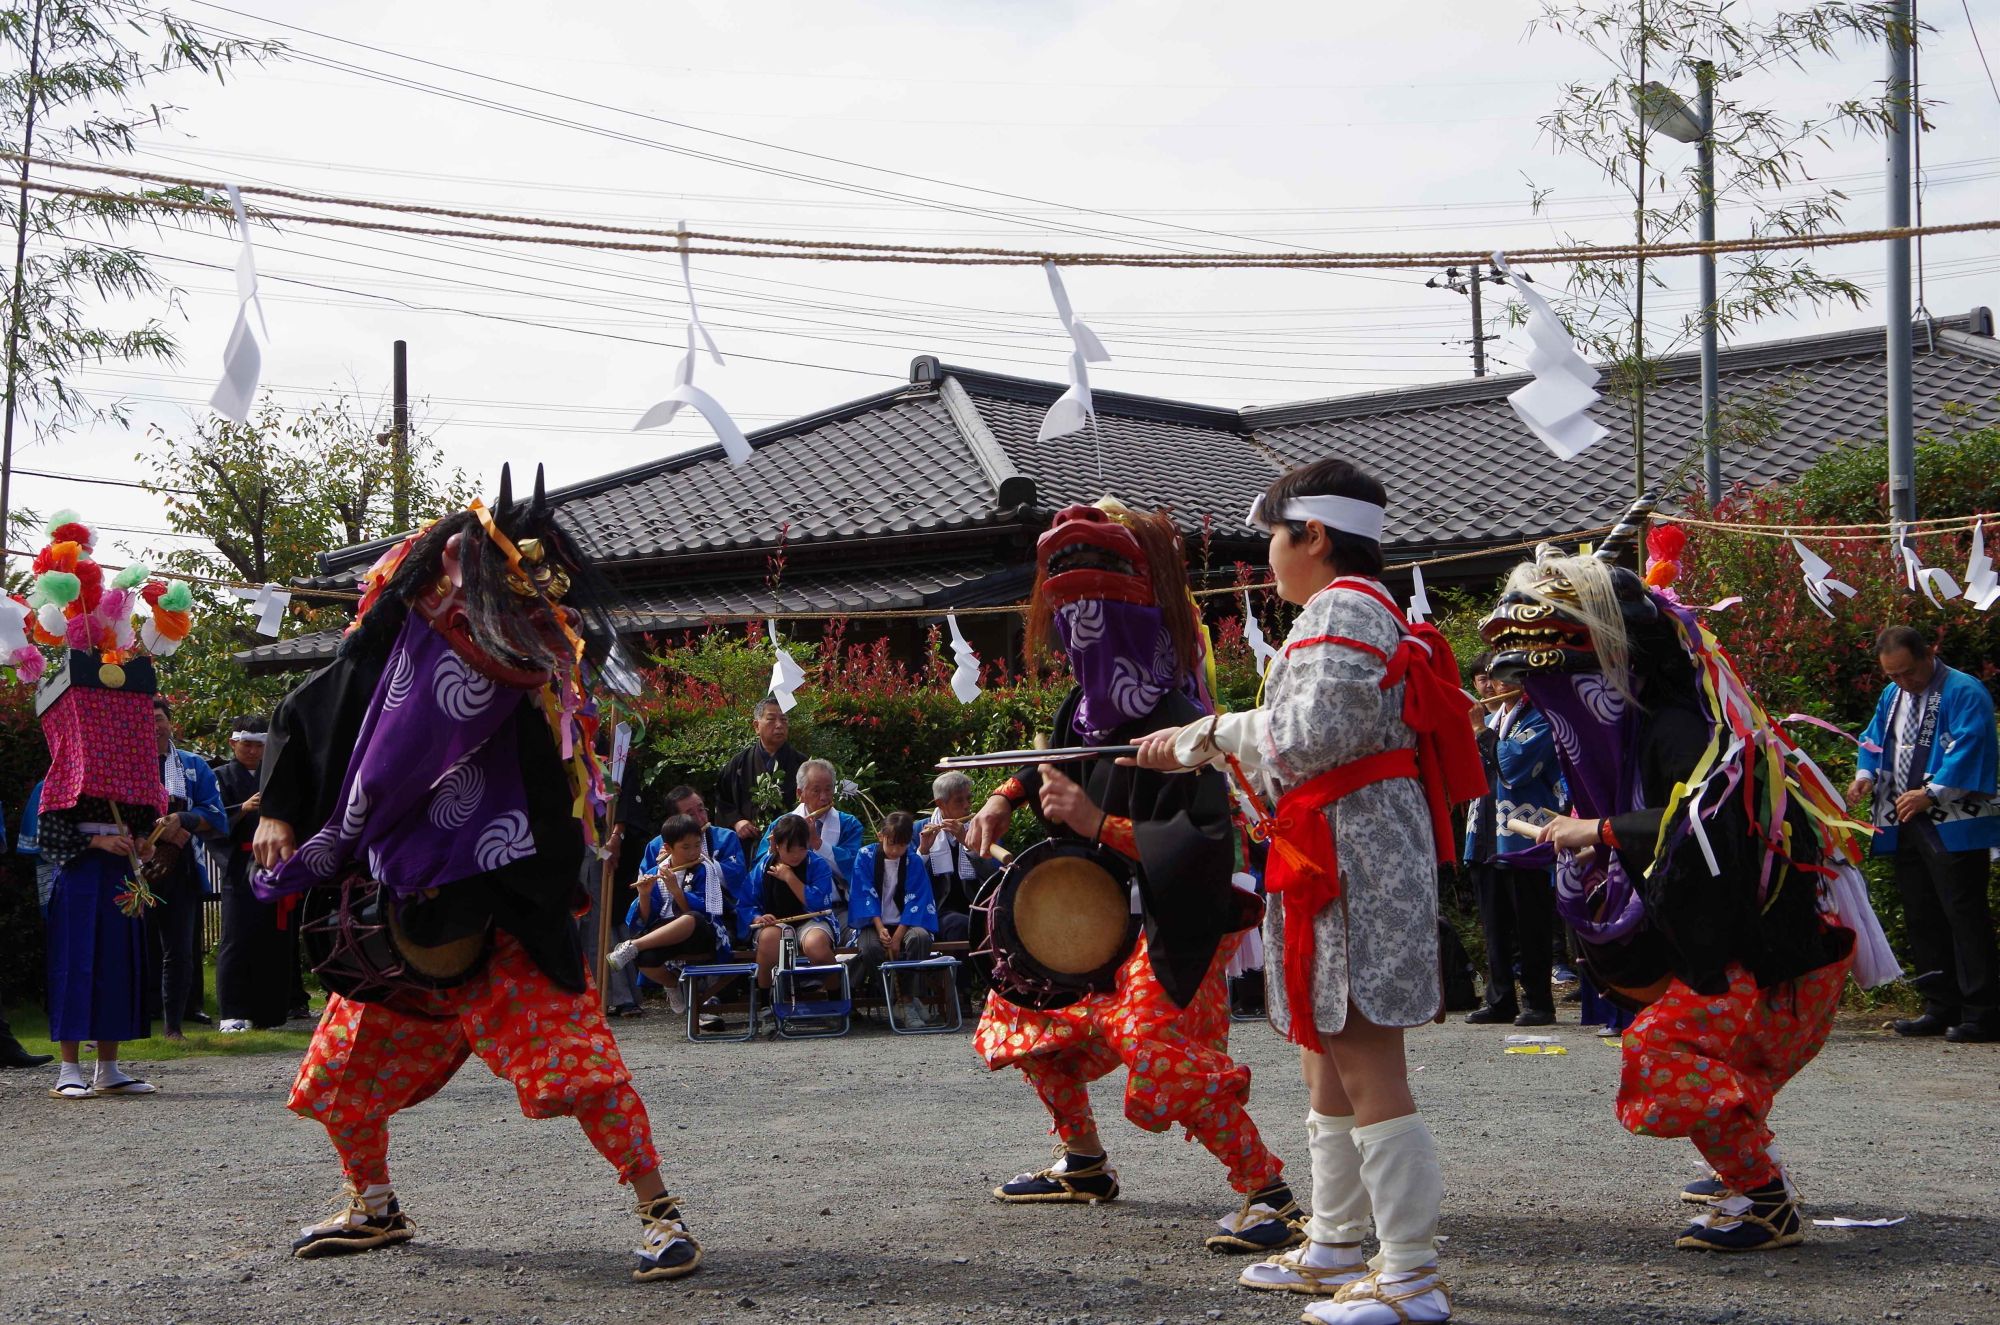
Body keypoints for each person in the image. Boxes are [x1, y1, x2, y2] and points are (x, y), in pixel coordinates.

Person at [251, 467, 702, 1282]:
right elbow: (303, 709)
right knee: (337, 1076)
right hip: (411, 916)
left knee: (581, 1067)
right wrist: (279, 809)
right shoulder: (397, 656)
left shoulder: (542, 672)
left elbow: (563, 796)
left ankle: (659, 1212)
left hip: (505, 913)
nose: (532, 598)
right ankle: (374, 1204)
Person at [1131, 460, 1480, 1322]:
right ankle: (1332, 1241)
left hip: (1350, 854)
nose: (1269, 559)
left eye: (1275, 539)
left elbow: (1313, 731)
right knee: (1327, 1046)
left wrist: (1207, 735)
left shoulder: (1342, 609)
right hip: (1341, 849)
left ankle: (1410, 1274)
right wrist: (1206, 742)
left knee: (1363, 1055)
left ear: (1313, 536)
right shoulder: (1357, 611)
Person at [1483, 530, 1891, 1254]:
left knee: (1663, 1051)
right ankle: (1746, 1173)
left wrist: (1600, 830)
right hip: (1749, 953)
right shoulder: (1638, 728)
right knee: (1697, 1055)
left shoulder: (1681, 727)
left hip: (1774, 957)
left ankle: (1765, 1198)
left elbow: (1713, 829)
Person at [965, 501, 1299, 1258]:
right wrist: (1001, 795)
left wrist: (1095, 824)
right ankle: (1084, 1163)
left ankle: (1268, 1191)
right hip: (1093, 911)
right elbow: (1056, 756)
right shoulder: (1080, 709)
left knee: (1157, 1047)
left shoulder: (1184, 718)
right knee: (1023, 1013)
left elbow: (1204, 848)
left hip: (1169, 919)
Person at [1851, 626, 2000, 1042]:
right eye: (1892, 675)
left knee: (1963, 914)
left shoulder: (1963, 691)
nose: (1903, 682)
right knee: (1921, 914)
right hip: (1904, 817)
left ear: (1928, 654)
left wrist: (1931, 793)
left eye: (1908, 673)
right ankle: (1939, 1003)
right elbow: (1874, 739)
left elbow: (1973, 746)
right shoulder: (1893, 695)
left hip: (1953, 821)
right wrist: (1865, 774)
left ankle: (1983, 1011)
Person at [1463, 653, 1562, 1027]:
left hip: (1524, 835)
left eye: (1501, 677)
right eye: (1487, 678)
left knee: (1530, 922)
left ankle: (1538, 1001)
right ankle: (1501, 997)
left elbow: (1515, 768)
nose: (1492, 685)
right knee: (1494, 922)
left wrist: (1480, 732)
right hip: (1485, 830)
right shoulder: (1488, 720)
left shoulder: (1542, 717)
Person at [148, 696, 226, 1041]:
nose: (153, 725)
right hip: (133, 864)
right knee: (130, 947)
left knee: (178, 950)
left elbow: (217, 816)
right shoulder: (125, 764)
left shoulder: (193, 765)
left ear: (170, 722)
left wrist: (183, 819)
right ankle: (126, 1021)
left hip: (181, 867)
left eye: (159, 718)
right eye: (146, 719)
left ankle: (173, 1025)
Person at [214, 716, 290, 1032]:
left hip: (273, 863)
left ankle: (269, 1011)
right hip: (239, 863)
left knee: (271, 938)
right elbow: (211, 818)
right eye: (247, 744)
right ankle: (232, 1011)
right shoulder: (219, 776)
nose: (253, 751)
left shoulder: (275, 774)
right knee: (237, 937)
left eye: (260, 745)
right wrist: (241, 809)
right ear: (233, 744)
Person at [610, 814, 729, 984]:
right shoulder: (654, 872)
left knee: (690, 919)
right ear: (669, 848)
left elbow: (704, 914)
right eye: (686, 847)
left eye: (697, 845)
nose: (694, 852)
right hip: (665, 936)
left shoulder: (705, 868)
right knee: (644, 959)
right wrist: (644, 895)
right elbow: (646, 921)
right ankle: (673, 987)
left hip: (698, 935)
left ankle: (634, 945)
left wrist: (676, 891)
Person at [744, 812, 840, 1001]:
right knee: (770, 939)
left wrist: (790, 877)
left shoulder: (817, 864)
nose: (796, 855)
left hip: (811, 919)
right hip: (775, 923)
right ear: (777, 846)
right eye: (790, 849)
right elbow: (747, 903)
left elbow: (819, 903)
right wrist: (757, 918)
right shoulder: (763, 867)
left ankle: (838, 998)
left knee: (817, 946)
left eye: (801, 848)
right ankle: (766, 1002)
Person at [848, 811, 939, 996]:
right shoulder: (865, 856)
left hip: (905, 923)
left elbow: (917, 898)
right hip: (874, 922)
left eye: (903, 845)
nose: (896, 850)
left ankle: (910, 996)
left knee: (920, 938)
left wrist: (897, 937)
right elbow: (864, 893)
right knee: (869, 948)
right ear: (881, 836)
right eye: (891, 844)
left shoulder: (913, 860)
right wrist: (880, 927)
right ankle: (893, 998)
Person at [643, 785, 748, 945]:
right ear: (675, 819)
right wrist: (667, 864)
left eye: (701, 809)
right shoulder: (656, 846)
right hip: (664, 919)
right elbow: (647, 894)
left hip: (716, 916)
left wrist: (706, 861)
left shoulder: (726, 837)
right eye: (690, 814)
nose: (700, 818)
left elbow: (738, 879)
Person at [761, 758, 863, 898]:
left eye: (828, 790)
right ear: (800, 794)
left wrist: (817, 843)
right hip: (788, 907)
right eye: (816, 791)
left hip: (837, 907)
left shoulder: (849, 824)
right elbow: (758, 871)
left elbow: (855, 869)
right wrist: (773, 853)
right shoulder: (780, 825)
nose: (824, 797)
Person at [713, 698, 806, 849]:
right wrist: (736, 821)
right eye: (771, 719)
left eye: (784, 719)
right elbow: (722, 799)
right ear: (756, 726)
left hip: (790, 844)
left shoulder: (802, 764)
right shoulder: (739, 763)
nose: (779, 725)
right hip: (747, 844)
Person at [919, 771, 984, 944]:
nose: (967, 806)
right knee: (961, 926)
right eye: (959, 800)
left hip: (978, 905)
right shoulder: (918, 830)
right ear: (941, 803)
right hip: (937, 910)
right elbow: (907, 878)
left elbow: (995, 874)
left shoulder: (981, 828)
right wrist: (923, 850)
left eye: (968, 799)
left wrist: (968, 844)